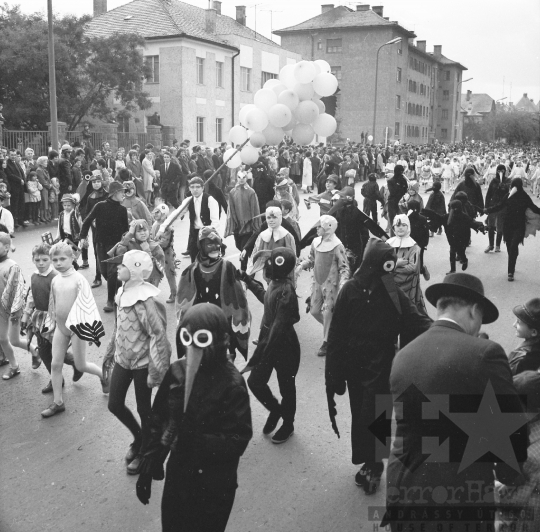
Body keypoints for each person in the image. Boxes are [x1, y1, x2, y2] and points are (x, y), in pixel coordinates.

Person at [384, 273, 528, 532]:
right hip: (457, 490)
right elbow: (511, 426)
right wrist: (510, 474)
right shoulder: (485, 352)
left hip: (402, 484)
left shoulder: (403, 355)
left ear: (440, 308)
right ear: (474, 311)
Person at [325, 238, 432, 495]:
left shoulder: (392, 290)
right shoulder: (350, 290)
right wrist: (333, 376)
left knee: (375, 416)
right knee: (360, 416)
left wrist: (447, 332)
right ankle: (369, 462)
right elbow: (336, 335)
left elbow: (418, 321)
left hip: (382, 365)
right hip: (354, 366)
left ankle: (375, 467)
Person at [135, 304, 252, 532]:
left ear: (223, 339)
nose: (192, 346)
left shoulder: (233, 385)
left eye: (201, 338)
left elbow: (237, 440)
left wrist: (195, 439)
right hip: (179, 477)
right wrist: (149, 463)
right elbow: (158, 419)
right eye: (187, 337)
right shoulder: (177, 371)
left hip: (214, 486)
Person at [104, 250, 172, 474]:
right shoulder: (122, 291)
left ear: (133, 270)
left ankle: (145, 450)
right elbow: (118, 326)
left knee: (145, 410)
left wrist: (156, 370)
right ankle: (139, 436)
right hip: (123, 360)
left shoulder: (144, 301)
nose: (117, 269)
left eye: (122, 266)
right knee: (114, 404)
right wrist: (110, 351)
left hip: (142, 364)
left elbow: (158, 335)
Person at [41, 242, 108, 418]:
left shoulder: (79, 280)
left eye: (63, 259)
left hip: (77, 328)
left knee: (80, 364)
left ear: (73, 258)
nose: (58, 263)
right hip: (61, 328)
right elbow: (52, 304)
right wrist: (51, 324)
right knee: (55, 364)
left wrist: (90, 331)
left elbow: (88, 306)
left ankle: (104, 375)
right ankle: (58, 402)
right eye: (55, 260)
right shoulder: (55, 280)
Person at [243, 247, 299, 444]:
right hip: (269, 343)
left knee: (287, 387)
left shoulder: (287, 290)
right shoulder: (276, 284)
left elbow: (279, 326)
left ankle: (288, 424)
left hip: (283, 347)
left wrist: (261, 352)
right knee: (255, 382)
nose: (267, 266)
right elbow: (266, 299)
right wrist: (248, 280)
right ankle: (276, 410)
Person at [176, 227, 250, 360]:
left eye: (218, 244)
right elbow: (183, 300)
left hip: (222, 320)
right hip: (201, 320)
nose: (215, 248)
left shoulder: (227, 267)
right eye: (210, 244)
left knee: (224, 355)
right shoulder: (192, 270)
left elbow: (237, 297)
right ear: (201, 246)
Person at [21, 243, 83, 393]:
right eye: (37, 260)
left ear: (51, 259)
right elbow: (31, 296)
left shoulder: (55, 277)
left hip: (54, 320)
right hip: (39, 319)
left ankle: (76, 363)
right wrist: (26, 315)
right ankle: (57, 379)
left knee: (56, 353)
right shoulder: (34, 276)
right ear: (33, 260)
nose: (41, 263)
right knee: (44, 352)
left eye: (45, 259)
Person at [296, 215, 349, 357]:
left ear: (328, 228)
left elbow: (344, 267)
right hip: (317, 283)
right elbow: (312, 259)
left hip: (331, 284)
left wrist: (343, 283)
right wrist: (301, 266)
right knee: (314, 310)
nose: (317, 229)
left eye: (319, 227)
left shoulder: (338, 245)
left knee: (327, 312)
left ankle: (327, 342)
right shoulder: (315, 242)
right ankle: (335, 331)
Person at [79, 181, 129, 312]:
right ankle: (120, 290)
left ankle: (111, 300)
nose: (124, 195)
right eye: (122, 192)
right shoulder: (100, 206)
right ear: (114, 193)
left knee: (112, 273)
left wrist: (126, 244)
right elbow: (87, 220)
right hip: (100, 243)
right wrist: (82, 237)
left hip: (116, 246)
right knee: (104, 272)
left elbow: (126, 230)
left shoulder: (123, 210)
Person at [484, 177, 540, 281]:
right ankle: (513, 260)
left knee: (513, 246)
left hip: (519, 226)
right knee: (510, 247)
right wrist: (488, 210)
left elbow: (533, 207)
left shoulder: (524, 196)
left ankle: (510, 272)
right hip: (508, 226)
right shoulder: (508, 196)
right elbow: (499, 206)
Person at [0, 232, 37, 380]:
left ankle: (35, 350)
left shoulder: (12, 266)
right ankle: (14, 366)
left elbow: (19, 290)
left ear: (7, 247)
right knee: (2, 339)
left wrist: (16, 313)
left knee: (14, 340)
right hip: (0, 310)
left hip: (13, 310)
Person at [386, 214, 427, 314]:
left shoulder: (413, 246)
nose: (400, 228)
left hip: (408, 288)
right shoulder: (388, 244)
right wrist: (397, 264)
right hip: (390, 286)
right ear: (393, 227)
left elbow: (412, 267)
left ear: (408, 226)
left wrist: (392, 267)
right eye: (397, 225)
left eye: (403, 225)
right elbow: (383, 265)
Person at [247, 206, 297, 285]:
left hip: (283, 272)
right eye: (269, 217)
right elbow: (255, 253)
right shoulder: (262, 235)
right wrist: (248, 273)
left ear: (280, 218)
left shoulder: (286, 236)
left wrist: (293, 280)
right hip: (269, 271)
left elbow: (292, 257)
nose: (271, 220)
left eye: (274, 217)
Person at [224, 170, 261, 253]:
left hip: (248, 225)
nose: (241, 179)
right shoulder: (232, 192)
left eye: (243, 177)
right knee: (238, 245)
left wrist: (255, 225)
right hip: (237, 226)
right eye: (239, 177)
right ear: (236, 178)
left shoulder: (251, 192)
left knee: (245, 248)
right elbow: (230, 209)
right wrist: (232, 224)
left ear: (246, 178)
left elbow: (255, 209)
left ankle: (244, 265)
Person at [151, 204, 178, 304]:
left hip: (166, 253)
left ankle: (174, 293)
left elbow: (164, 242)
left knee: (170, 273)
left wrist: (152, 245)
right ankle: (152, 294)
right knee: (155, 273)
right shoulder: (155, 224)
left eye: (158, 212)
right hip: (156, 253)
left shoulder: (167, 227)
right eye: (154, 212)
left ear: (164, 214)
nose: (155, 214)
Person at [484, 163, 510, 253]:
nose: (500, 172)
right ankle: (491, 245)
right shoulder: (494, 181)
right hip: (493, 206)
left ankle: (497, 246)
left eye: (502, 171)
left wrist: (502, 185)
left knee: (500, 226)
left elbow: (508, 191)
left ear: (505, 171)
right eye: (498, 171)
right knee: (491, 226)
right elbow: (489, 194)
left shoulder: (507, 180)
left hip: (502, 206)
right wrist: (486, 206)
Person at [386, 165, 408, 236]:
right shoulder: (391, 181)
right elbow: (393, 192)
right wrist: (401, 186)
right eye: (400, 171)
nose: (401, 173)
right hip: (393, 202)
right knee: (392, 219)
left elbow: (406, 189)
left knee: (402, 219)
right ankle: (392, 235)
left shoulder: (403, 180)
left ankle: (402, 234)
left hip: (401, 202)